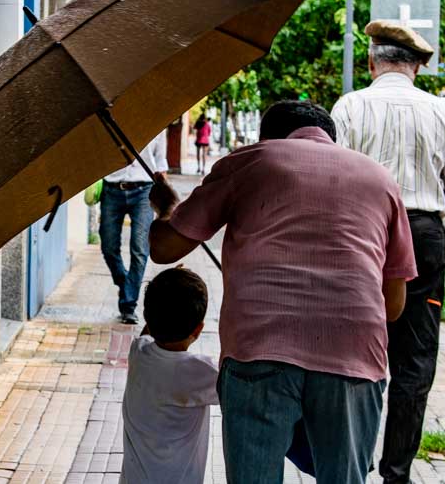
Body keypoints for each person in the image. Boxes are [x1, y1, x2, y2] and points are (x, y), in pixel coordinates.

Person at [148, 100, 417, 484]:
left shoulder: (251, 161)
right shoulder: (380, 179)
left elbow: (164, 248)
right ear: (330, 139)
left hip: (260, 347)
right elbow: (393, 306)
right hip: (353, 354)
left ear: (266, 138)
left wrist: (167, 207)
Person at [331, 20, 445, 484]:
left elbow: (330, 179)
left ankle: (351, 463)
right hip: (422, 236)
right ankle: (396, 474)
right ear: (417, 66)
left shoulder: (350, 107)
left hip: (362, 237)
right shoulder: (439, 112)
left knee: (352, 353)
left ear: (372, 62)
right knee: (414, 362)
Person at [120, 266, 219, 484]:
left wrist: (162, 296)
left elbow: (147, 334)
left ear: (147, 316)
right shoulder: (200, 373)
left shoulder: (139, 353)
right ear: (198, 330)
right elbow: (240, 381)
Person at [100, 132, 168, 324]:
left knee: (140, 249)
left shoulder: (158, 126)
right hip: (111, 188)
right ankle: (127, 286)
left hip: (144, 191)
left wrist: (167, 203)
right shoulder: (115, 119)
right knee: (108, 246)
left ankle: (128, 305)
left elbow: (160, 164)